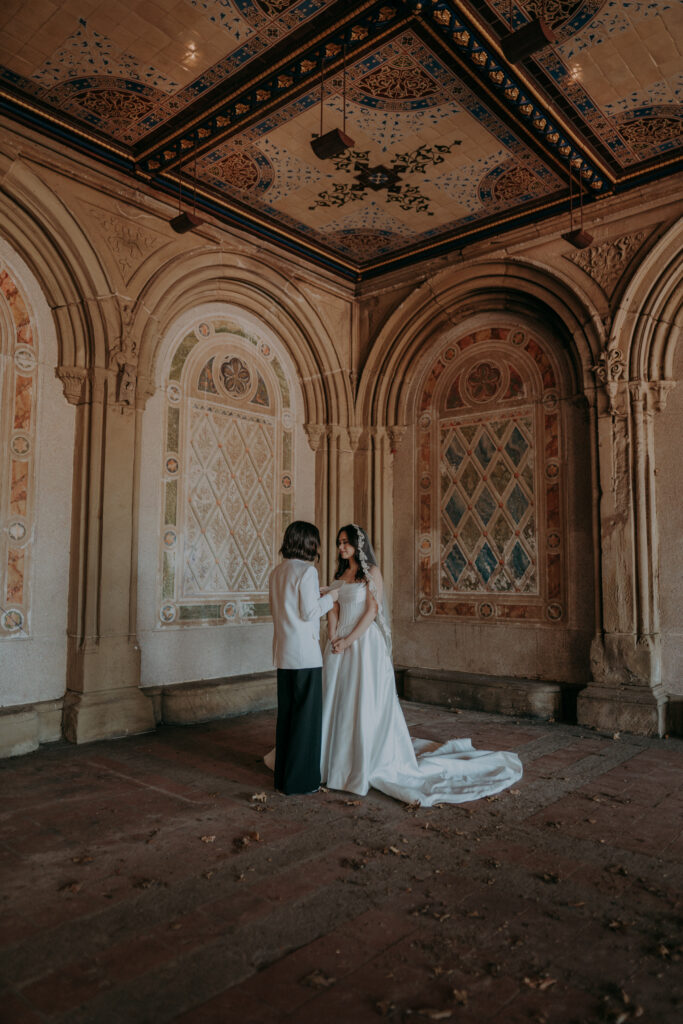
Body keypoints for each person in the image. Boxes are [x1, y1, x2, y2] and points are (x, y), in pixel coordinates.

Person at [321, 524, 523, 806]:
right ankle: (333, 761)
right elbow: (334, 609)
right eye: (339, 542)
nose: (341, 547)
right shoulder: (340, 576)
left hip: (363, 645)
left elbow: (371, 612)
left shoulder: (372, 574)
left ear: (358, 545)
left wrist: (349, 640)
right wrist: (334, 638)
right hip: (339, 644)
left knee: (364, 701)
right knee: (337, 701)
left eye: (346, 543)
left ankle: (363, 760)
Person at [268, 521, 339, 795]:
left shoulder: (277, 572)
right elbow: (310, 613)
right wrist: (331, 597)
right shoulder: (307, 572)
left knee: (287, 718)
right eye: (315, 542)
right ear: (309, 543)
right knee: (305, 722)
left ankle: (283, 778)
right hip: (306, 657)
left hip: (283, 654)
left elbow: (284, 609)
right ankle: (302, 782)